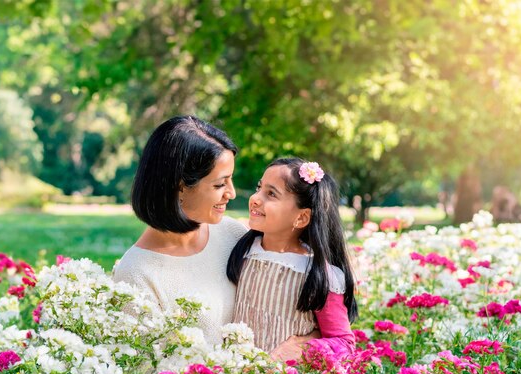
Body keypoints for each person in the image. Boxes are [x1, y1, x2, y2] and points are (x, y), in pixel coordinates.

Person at [112, 115, 247, 344]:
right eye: (219, 184)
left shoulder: (234, 235)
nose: (231, 193)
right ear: (180, 187)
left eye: (230, 180)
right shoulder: (135, 274)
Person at [227, 158, 358, 360]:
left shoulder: (318, 275)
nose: (255, 198)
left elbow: (344, 343)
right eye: (259, 187)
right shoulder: (242, 251)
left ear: (301, 217)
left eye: (271, 194)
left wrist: (300, 349)